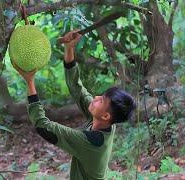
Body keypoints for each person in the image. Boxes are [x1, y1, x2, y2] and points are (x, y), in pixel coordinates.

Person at [12, 30, 136, 179]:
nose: (95, 98)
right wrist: (69, 48)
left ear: (106, 115)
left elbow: (43, 126)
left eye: (101, 100)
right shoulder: (106, 122)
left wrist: (30, 81)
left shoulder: (90, 142)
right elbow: (77, 89)